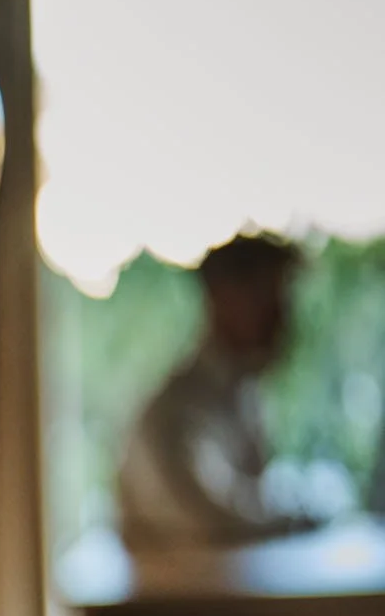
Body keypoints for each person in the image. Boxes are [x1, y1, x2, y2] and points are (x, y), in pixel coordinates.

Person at [115, 231, 331, 551]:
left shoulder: (245, 398)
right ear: (221, 297)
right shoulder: (178, 411)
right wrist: (296, 517)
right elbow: (209, 518)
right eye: (267, 299)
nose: (282, 318)